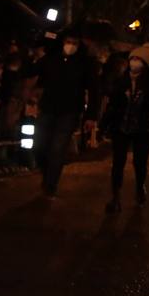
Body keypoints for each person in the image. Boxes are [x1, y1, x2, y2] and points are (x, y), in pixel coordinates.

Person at [21, 31, 99, 197]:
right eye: (68, 41)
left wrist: (91, 115)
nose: (71, 45)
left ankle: (50, 184)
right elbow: (29, 71)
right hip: (48, 109)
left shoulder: (85, 64)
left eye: (75, 43)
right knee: (39, 144)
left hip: (69, 111)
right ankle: (46, 173)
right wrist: (30, 54)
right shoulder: (51, 59)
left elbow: (94, 89)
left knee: (58, 148)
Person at [102, 44, 149, 212]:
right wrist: (104, 125)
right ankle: (115, 197)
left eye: (138, 59)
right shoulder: (121, 81)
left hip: (143, 129)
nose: (134, 62)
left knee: (140, 162)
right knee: (118, 162)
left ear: (145, 63)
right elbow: (112, 105)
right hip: (121, 127)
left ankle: (139, 187)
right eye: (132, 59)